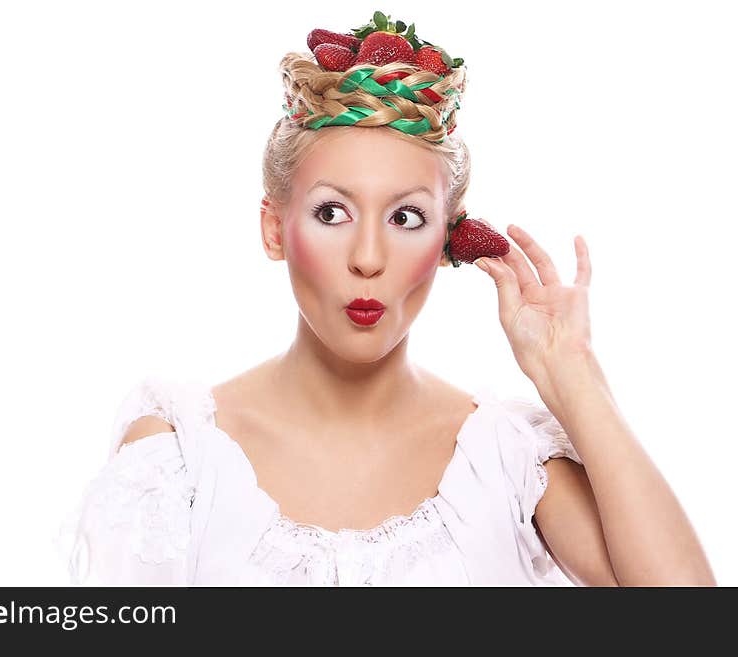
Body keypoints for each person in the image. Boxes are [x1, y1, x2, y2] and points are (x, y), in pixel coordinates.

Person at [56, 17, 716, 586]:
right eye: (332, 211)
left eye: (405, 218)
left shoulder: (506, 458)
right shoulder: (180, 455)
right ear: (272, 228)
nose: (368, 256)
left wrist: (572, 373)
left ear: (450, 239)